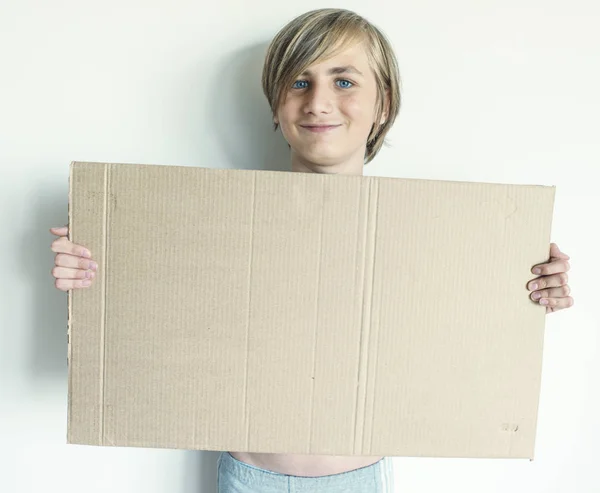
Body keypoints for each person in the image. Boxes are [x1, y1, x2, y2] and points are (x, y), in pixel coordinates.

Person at [49, 8, 574, 493]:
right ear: (277, 106)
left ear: (383, 103)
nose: (319, 101)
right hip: (248, 477)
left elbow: (465, 343)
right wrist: (93, 275)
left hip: (361, 477)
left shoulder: (439, 238)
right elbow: (151, 333)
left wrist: (527, 292)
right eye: (300, 82)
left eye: (343, 81)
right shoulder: (208, 227)